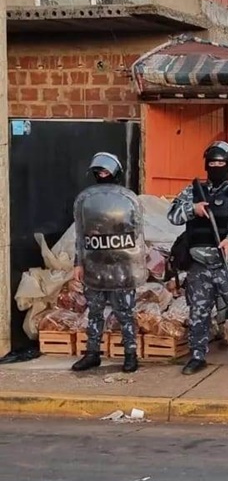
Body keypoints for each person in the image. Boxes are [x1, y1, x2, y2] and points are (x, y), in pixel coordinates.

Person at [167, 141, 228, 376]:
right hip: (200, 265)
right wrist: (193, 209)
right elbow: (173, 215)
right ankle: (197, 356)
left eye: (220, 163)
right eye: (212, 163)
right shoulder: (192, 192)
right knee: (198, 312)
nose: (216, 167)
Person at [71, 152, 146, 374]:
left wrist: (136, 264)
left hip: (122, 267)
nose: (102, 175)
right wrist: (78, 263)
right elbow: (80, 235)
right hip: (95, 265)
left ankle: (130, 355)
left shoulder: (128, 199)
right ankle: (92, 353)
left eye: (106, 171)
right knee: (94, 312)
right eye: (99, 172)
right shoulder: (86, 200)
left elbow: (137, 235)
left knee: (125, 313)